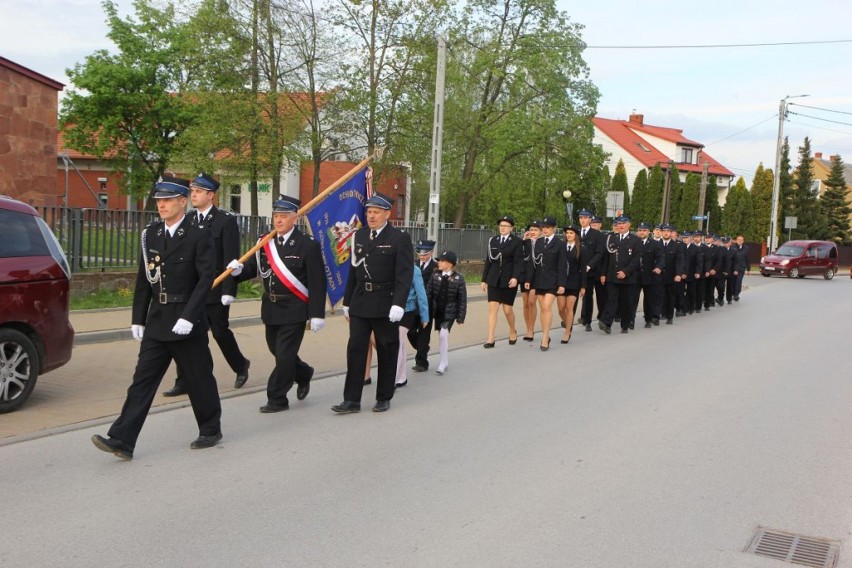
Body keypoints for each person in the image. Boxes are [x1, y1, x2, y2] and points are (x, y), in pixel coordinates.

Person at [91, 176, 222, 460]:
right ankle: (122, 439)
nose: (161, 205)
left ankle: (210, 428)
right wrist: (138, 317)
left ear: (182, 202)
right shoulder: (151, 234)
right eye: (158, 201)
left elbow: (205, 280)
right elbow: (144, 279)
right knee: (142, 381)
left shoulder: (199, 234)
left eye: (167, 200)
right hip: (158, 319)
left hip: (186, 320)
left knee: (198, 379)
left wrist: (190, 316)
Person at [231, 196, 326, 413]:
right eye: (276, 216)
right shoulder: (265, 242)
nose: (278, 220)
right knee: (278, 351)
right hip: (271, 307)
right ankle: (303, 373)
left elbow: (317, 281)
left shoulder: (307, 245)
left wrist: (317, 314)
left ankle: (277, 397)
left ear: (295, 218)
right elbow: (255, 269)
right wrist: (238, 271)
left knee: (284, 356)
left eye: (283, 216)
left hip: (295, 308)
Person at [162, 173, 250, 397]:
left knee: (220, 332)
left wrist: (229, 290)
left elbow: (232, 258)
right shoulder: (188, 220)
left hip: (216, 289)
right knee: (186, 334)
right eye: (192, 191)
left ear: (211, 195)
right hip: (191, 290)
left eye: (198, 192)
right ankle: (184, 380)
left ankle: (240, 365)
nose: (194, 195)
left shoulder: (224, 221)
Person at [332, 192, 413, 414]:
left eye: (376, 212)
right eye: (368, 212)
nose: (371, 216)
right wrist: (347, 301)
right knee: (356, 349)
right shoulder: (359, 236)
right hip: (360, 301)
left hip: (386, 303)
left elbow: (404, 275)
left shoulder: (399, 238)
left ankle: (384, 396)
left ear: (387, 213)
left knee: (387, 349)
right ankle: (351, 400)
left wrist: (399, 303)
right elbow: (353, 270)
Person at [480, 215, 523, 348]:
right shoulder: (493, 240)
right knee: (492, 308)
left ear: (511, 228)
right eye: (501, 226)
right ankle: (491, 338)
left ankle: (512, 330)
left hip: (508, 280)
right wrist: (484, 279)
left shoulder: (516, 241)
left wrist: (516, 277)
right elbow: (489, 260)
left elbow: (518, 262)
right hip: (494, 279)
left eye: (506, 226)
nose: (503, 228)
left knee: (507, 310)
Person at [524, 216, 566, 350]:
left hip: (553, 281)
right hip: (539, 281)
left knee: (547, 307)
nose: (545, 230)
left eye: (548, 227)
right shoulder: (538, 242)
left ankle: (544, 337)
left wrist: (562, 284)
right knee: (543, 309)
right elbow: (533, 263)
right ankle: (545, 334)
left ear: (553, 228)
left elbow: (562, 266)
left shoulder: (560, 244)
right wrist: (528, 280)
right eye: (544, 227)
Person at [426, 250, 467, 374]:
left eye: (442, 261)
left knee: (443, 335)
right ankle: (445, 359)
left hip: (449, 313)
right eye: (439, 260)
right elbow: (428, 294)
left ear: (450, 264)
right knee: (441, 335)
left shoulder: (458, 279)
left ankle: (442, 363)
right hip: (437, 311)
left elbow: (462, 299)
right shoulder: (435, 276)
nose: (439, 262)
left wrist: (460, 317)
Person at [598, 215, 641, 334]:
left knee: (626, 301)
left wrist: (625, 272)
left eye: (623, 223)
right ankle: (606, 322)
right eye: (618, 223)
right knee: (612, 299)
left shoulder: (635, 240)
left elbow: (636, 259)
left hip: (628, 277)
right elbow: (607, 258)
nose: (620, 225)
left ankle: (625, 325)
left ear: (629, 224)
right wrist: (603, 273)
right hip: (612, 275)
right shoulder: (612, 238)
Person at [396, 263, 429, 388]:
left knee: (397, 343)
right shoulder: (391, 265)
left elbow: (421, 294)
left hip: (407, 311)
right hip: (391, 311)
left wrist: (424, 316)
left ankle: (392, 378)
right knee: (401, 343)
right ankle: (401, 376)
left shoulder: (414, 270)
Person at [408, 240, 436, 372]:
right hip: (413, 305)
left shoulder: (436, 267)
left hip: (428, 305)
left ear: (431, 252)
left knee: (424, 333)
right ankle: (422, 347)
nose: (422, 256)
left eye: (425, 254)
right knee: (410, 331)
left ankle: (421, 362)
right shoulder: (412, 265)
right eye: (419, 253)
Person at [557, 225, 586, 344]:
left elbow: (583, 269)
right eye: (567, 233)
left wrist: (583, 286)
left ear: (576, 236)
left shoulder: (582, 249)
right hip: (561, 282)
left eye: (571, 233)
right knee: (560, 309)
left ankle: (567, 332)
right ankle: (568, 323)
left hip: (574, 282)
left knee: (569, 308)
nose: (568, 235)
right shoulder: (561, 247)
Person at [578, 209, 605, 332]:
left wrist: (589, 266)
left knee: (601, 295)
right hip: (581, 271)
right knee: (587, 296)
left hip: (594, 270)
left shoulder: (597, 234)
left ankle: (603, 317)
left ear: (590, 219)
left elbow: (600, 253)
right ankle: (587, 320)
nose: (583, 220)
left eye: (585, 218)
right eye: (581, 218)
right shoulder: (576, 233)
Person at [634, 222, 664, 328]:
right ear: (637, 231)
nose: (642, 232)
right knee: (632, 299)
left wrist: (659, 267)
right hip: (635, 275)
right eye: (640, 230)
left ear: (648, 232)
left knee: (649, 299)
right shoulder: (633, 242)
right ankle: (630, 320)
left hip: (649, 275)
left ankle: (648, 319)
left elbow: (660, 257)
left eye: (644, 230)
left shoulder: (654, 244)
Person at [659, 224, 684, 324]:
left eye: (668, 231)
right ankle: (661, 313)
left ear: (671, 233)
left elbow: (679, 261)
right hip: (658, 276)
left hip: (671, 275)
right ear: (661, 232)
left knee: (670, 296)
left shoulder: (676, 246)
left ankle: (669, 316)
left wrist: (678, 274)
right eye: (664, 231)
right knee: (659, 295)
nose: (666, 233)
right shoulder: (657, 244)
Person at [520, 221, 541, 341]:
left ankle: (531, 330)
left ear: (541, 232)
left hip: (537, 276)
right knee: (526, 302)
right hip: (524, 275)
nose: (533, 232)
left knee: (532, 301)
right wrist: (523, 240)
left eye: (536, 230)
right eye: (531, 229)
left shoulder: (542, 243)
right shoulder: (525, 242)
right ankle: (528, 328)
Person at [732, 235, 749, 300]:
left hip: (742, 267)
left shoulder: (746, 248)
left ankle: (736, 294)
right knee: (733, 281)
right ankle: (732, 293)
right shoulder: (732, 247)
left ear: (743, 241)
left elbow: (747, 258)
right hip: (733, 268)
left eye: (741, 240)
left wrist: (748, 269)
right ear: (736, 240)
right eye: (738, 239)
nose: (740, 241)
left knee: (739, 281)